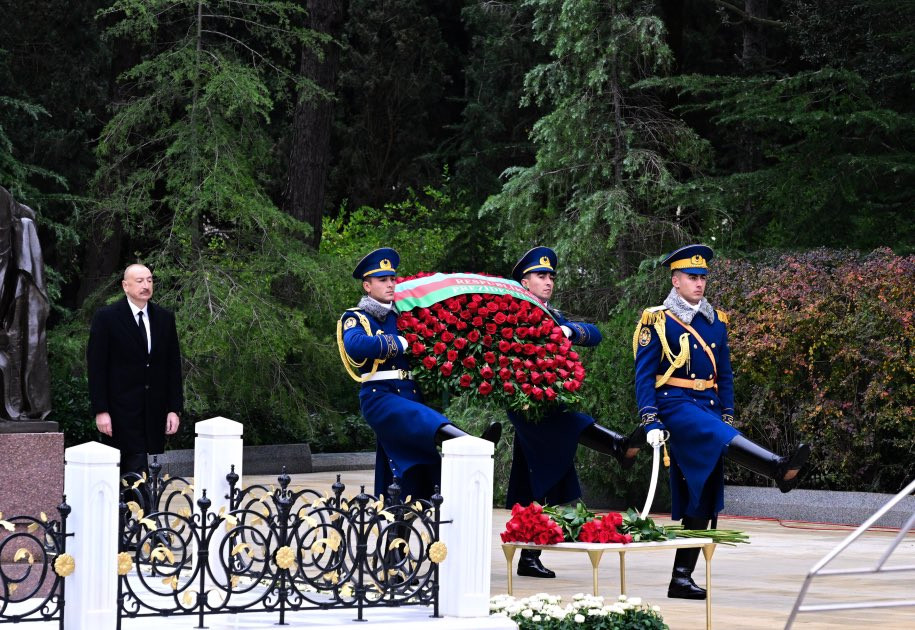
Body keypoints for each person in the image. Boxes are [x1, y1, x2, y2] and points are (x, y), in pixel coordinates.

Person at [633, 244, 810, 600]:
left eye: (703, 277)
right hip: (675, 406)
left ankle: (681, 578)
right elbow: (644, 375)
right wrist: (650, 419)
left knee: (703, 494)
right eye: (692, 277)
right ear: (675, 280)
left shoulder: (716, 321)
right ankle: (776, 468)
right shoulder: (657, 319)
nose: (699, 283)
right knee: (712, 441)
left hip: (709, 409)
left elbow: (725, 375)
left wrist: (727, 414)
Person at [506, 246, 642, 579]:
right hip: (525, 405)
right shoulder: (511, 314)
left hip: (548, 402)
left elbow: (595, 335)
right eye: (541, 275)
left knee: (536, 475)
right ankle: (616, 445)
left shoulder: (553, 316)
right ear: (524, 282)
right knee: (569, 426)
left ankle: (528, 556)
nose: (548, 281)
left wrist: (568, 330)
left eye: (551, 276)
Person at [337, 248, 500, 502]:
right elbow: (355, 345)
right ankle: (472, 444)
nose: (390, 284)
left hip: (409, 395)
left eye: (392, 279)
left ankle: (396, 520)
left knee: (416, 467)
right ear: (367, 286)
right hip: (380, 397)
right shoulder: (357, 317)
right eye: (382, 280)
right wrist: (398, 343)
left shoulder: (405, 315)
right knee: (423, 419)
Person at [87, 264, 183, 485]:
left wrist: (174, 408)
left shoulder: (164, 318)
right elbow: (97, 367)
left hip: (153, 409)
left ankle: (140, 506)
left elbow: (172, 366)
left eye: (149, 280)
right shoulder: (107, 317)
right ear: (125, 285)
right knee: (130, 466)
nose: (146, 285)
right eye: (139, 281)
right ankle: (135, 507)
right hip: (119, 409)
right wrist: (101, 410)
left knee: (143, 465)